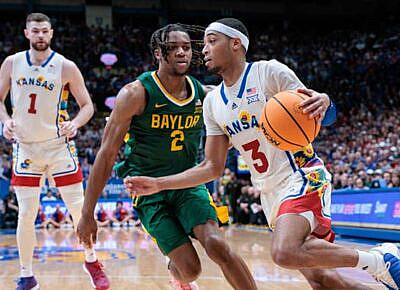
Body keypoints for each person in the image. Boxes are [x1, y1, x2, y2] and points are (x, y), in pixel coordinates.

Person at [124, 18, 400, 290]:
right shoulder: (212, 103)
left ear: (236, 44)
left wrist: (325, 102)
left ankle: (379, 259)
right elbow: (211, 168)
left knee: (284, 252)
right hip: (269, 192)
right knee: (324, 281)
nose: (203, 50)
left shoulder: (268, 72)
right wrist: (159, 183)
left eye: (211, 41)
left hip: (301, 176)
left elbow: (320, 116)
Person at [77, 23, 257, 290]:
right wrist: (87, 213)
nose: (182, 52)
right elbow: (106, 154)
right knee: (190, 269)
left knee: (217, 245)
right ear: (158, 53)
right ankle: (176, 274)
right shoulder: (135, 94)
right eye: (173, 48)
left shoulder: (205, 95)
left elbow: (235, 128)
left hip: (186, 184)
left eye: (186, 47)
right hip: (148, 192)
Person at [0, 13, 109, 290]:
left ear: (51, 34)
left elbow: (88, 106)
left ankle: (91, 260)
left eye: (44, 31)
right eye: (35, 31)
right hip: (25, 148)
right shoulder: (11, 63)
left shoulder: (65, 66)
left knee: (78, 209)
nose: (40, 36)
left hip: (59, 146)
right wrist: (5, 121)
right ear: (26, 33)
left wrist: (75, 123)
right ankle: (27, 276)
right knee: (26, 213)